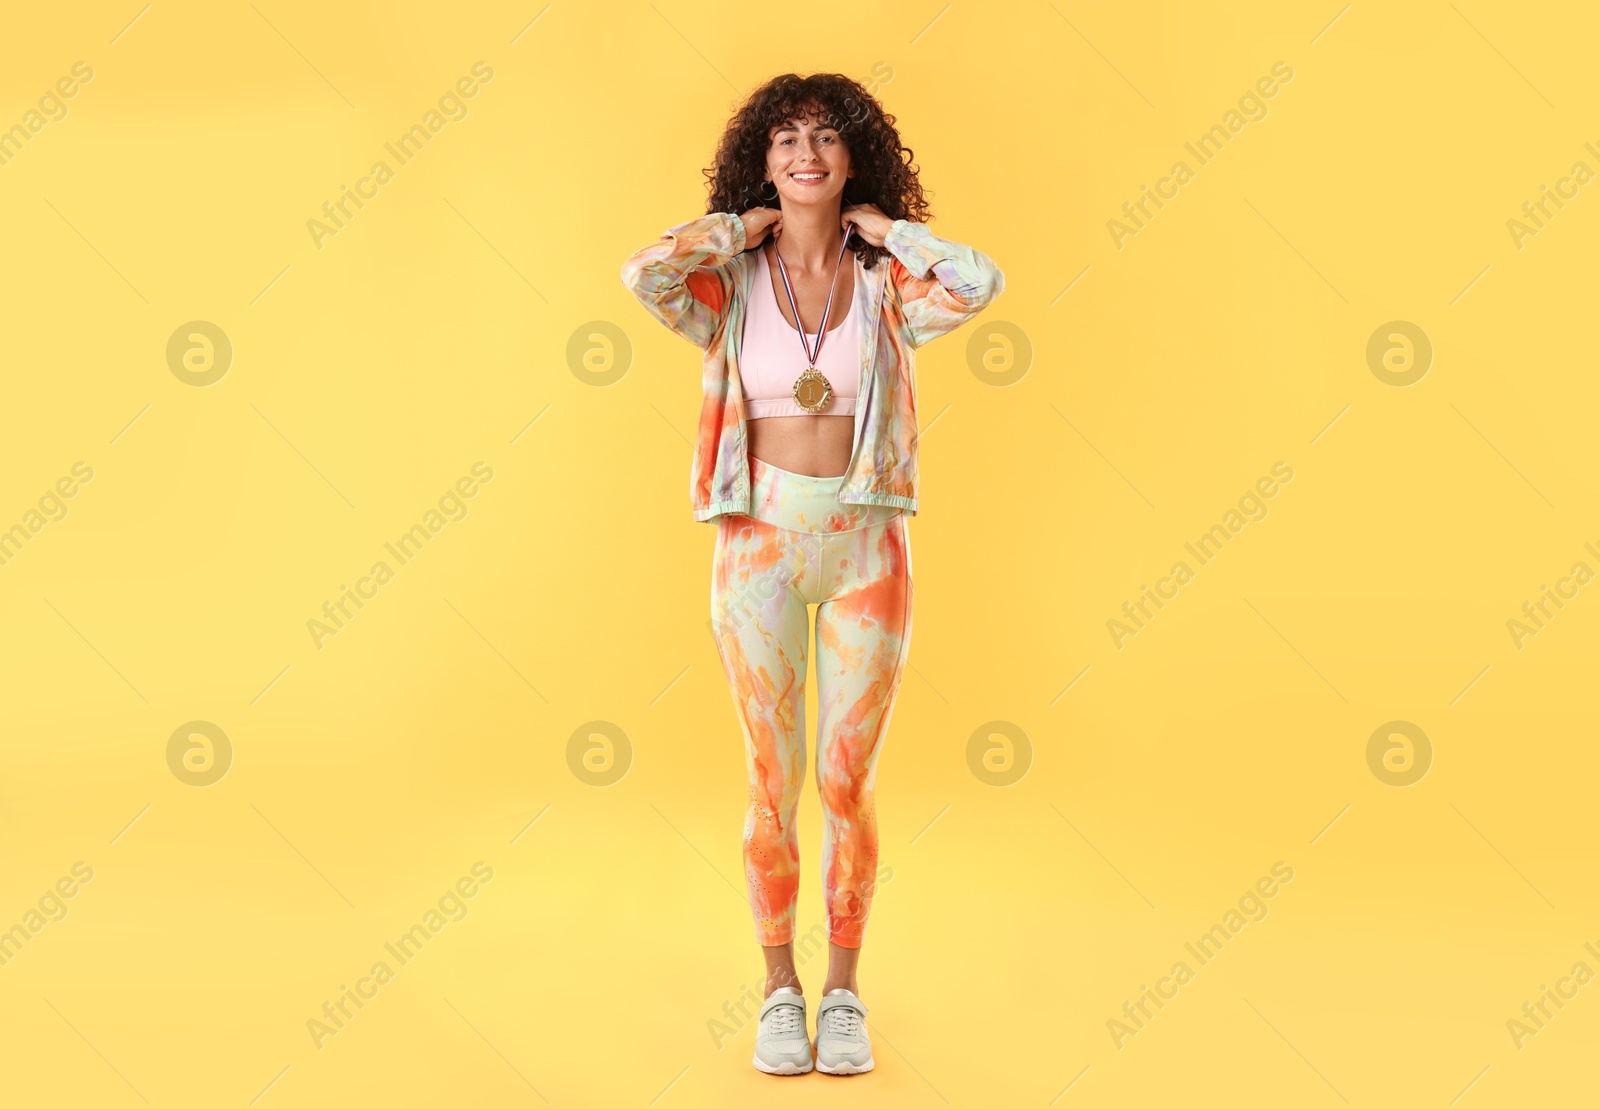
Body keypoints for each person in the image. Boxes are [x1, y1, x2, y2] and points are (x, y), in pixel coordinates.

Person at [620, 72, 1005, 1076]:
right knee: (769, 777)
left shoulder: (886, 287)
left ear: (853, 159)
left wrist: (889, 231)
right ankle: (777, 990)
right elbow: (644, 273)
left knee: (846, 779)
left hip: (867, 542)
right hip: (758, 542)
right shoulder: (729, 286)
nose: (806, 153)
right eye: (785, 139)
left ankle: (841, 990)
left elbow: (978, 280)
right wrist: (734, 226)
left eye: (827, 138)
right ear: (763, 160)